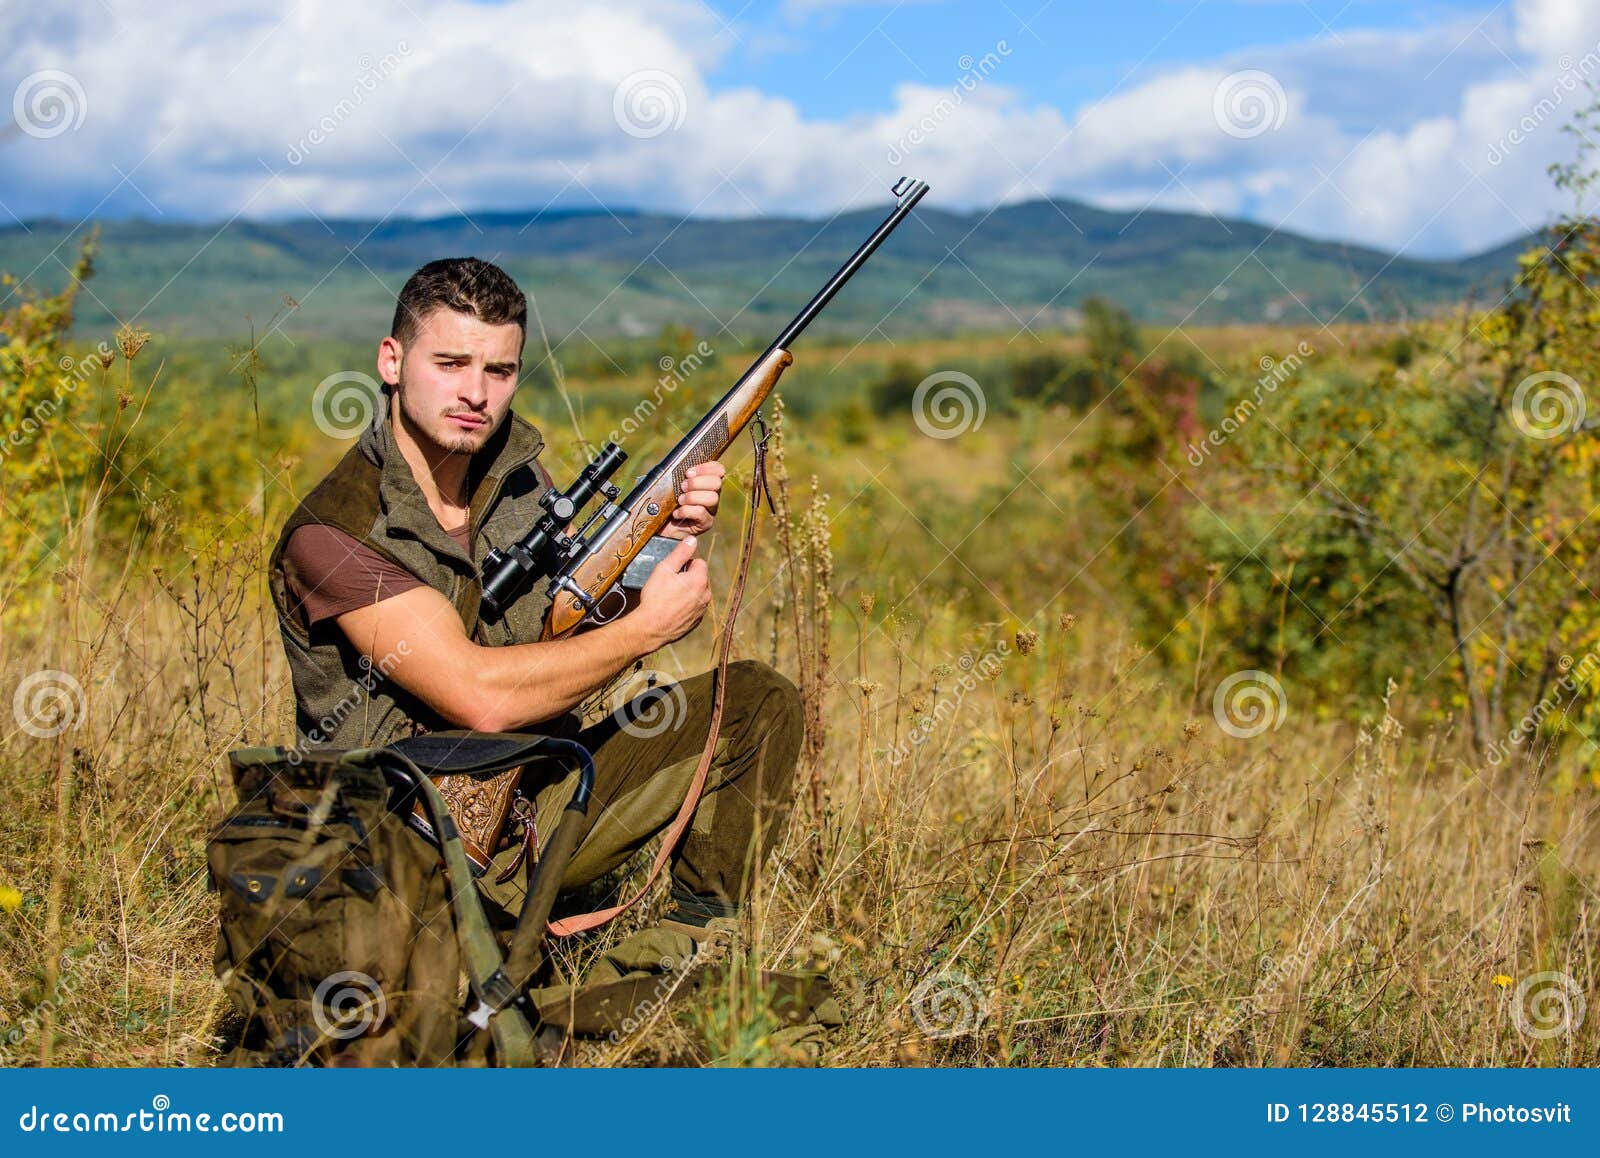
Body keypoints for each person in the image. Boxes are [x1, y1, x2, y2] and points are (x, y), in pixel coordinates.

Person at [267, 256, 802, 948]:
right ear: (392, 361)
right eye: (451, 363)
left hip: (537, 796)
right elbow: (478, 698)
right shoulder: (334, 533)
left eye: (500, 371)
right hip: (398, 854)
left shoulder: (518, 488)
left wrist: (652, 546)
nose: (476, 394)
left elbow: (565, 622)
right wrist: (645, 633)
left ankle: (687, 960)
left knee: (760, 702)